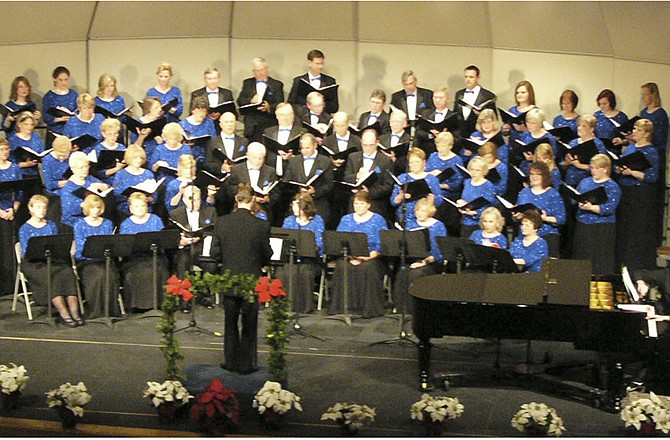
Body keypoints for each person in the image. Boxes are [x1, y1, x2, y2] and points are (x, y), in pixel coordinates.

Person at [214, 183, 271, 374]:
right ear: (253, 199)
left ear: (236, 199)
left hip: (229, 278)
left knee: (230, 323)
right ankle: (247, 364)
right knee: (249, 323)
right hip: (251, 281)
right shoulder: (261, 225)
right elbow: (267, 254)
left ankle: (231, 362)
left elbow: (215, 253)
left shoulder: (222, 222)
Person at [18, 195, 82, 326]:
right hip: (34, 263)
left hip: (52, 259)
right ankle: (64, 313)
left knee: (66, 272)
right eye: (38, 207)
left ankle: (75, 312)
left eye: (44, 207)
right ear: (31, 209)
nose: (42, 210)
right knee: (51, 275)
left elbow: (57, 245)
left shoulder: (52, 225)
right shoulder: (24, 228)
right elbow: (26, 252)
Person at [329, 190, 388, 318]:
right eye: (356, 204)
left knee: (368, 268)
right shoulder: (346, 219)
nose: (358, 207)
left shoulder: (378, 220)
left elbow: (382, 244)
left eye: (361, 204)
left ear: (368, 205)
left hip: (371, 257)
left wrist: (367, 257)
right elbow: (339, 240)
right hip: (350, 256)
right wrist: (351, 257)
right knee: (342, 267)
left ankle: (368, 309)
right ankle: (343, 307)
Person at [615, 119, 660, 271]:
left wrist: (632, 172)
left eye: (638, 130)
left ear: (647, 134)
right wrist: (621, 169)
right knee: (625, 228)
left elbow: (652, 176)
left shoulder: (651, 151)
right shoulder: (630, 148)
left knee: (637, 229)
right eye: (634, 129)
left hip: (640, 193)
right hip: (625, 190)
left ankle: (637, 265)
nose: (634, 132)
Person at [391, 198, 447, 311]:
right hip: (412, 259)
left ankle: (415, 308)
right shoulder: (410, 224)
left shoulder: (438, 226)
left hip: (431, 261)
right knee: (402, 272)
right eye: (418, 210)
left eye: (423, 211)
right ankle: (401, 308)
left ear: (430, 212)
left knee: (416, 274)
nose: (419, 214)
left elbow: (440, 251)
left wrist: (424, 262)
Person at [274, 193, 325, 314]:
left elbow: (319, 243)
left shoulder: (317, 221)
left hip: (309, 259)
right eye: (293, 205)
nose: (293, 208)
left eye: (297, 205)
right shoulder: (289, 220)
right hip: (290, 257)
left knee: (305, 272)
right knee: (283, 272)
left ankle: (304, 306)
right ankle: (285, 305)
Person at [119, 192, 169, 311]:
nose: (140, 209)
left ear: (147, 207)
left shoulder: (155, 220)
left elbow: (163, 241)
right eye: (136, 206)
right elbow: (124, 246)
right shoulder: (125, 224)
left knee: (158, 269)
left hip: (155, 255)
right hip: (135, 258)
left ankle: (159, 303)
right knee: (134, 273)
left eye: (142, 206)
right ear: (131, 208)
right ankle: (138, 305)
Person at [73, 194, 120, 319]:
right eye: (92, 208)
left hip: (104, 260)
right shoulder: (79, 225)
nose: (95, 211)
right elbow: (80, 249)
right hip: (87, 262)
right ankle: (97, 312)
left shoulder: (107, 223)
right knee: (98, 276)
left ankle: (111, 311)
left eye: (98, 208)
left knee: (110, 274)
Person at [573, 154, 621, 275]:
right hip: (583, 224)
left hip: (602, 228)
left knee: (600, 259)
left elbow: (610, 208)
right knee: (582, 256)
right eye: (591, 167)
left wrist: (591, 207)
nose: (592, 170)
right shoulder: (585, 182)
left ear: (604, 168)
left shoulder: (612, 186)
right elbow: (577, 196)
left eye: (595, 168)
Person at [514, 162, 565, 258]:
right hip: (525, 236)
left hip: (546, 236)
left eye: (538, 174)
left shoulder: (553, 194)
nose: (534, 177)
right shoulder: (524, 192)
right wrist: (517, 216)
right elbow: (519, 212)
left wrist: (544, 218)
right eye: (532, 174)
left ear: (544, 176)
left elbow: (561, 219)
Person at [168, 185, 218, 282]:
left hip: (204, 249)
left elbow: (215, 232)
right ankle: (184, 293)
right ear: (184, 199)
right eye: (190, 199)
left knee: (212, 266)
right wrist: (181, 242)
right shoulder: (175, 214)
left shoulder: (210, 211)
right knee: (182, 262)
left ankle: (210, 295)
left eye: (196, 199)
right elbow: (171, 236)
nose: (193, 203)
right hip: (185, 249)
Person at [343, 128, 394, 222]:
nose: (368, 148)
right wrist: (356, 176)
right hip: (355, 204)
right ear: (361, 142)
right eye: (365, 145)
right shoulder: (353, 157)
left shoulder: (385, 160)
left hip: (375, 204)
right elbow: (346, 178)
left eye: (371, 145)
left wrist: (369, 192)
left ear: (377, 143)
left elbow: (388, 185)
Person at [283, 133, 334, 226]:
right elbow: (287, 182)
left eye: (307, 148)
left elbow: (329, 185)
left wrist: (314, 191)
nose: (304, 151)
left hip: (318, 204)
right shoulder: (294, 161)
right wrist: (299, 190)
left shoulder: (325, 161)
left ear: (315, 145)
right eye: (302, 148)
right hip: (297, 205)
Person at [321, 111, 361, 228]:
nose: (339, 128)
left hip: (349, 182)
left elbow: (359, 159)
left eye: (342, 125)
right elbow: (323, 160)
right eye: (337, 125)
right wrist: (332, 162)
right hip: (332, 182)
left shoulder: (356, 141)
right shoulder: (328, 141)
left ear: (348, 124)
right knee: (333, 214)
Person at [222, 142, 278, 222]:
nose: (257, 161)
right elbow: (230, 189)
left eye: (260, 158)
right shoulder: (236, 169)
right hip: (240, 209)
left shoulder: (270, 171)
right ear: (247, 156)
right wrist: (245, 195)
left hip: (262, 211)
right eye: (254, 158)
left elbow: (276, 193)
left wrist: (268, 199)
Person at [390, 147, 443, 225]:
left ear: (424, 162)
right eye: (411, 162)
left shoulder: (431, 179)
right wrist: (400, 197)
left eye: (417, 162)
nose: (414, 165)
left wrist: (432, 200)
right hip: (404, 218)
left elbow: (439, 201)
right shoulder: (402, 178)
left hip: (425, 219)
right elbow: (393, 202)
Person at [237, 58, 285, 143]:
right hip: (252, 127)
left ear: (267, 69)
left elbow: (280, 103)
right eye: (257, 71)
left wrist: (269, 107)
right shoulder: (247, 83)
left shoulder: (277, 84)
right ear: (253, 71)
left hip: (269, 124)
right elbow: (240, 100)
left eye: (262, 70)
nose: (260, 73)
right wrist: (251, 100)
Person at [60, 151, 111, 232]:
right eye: (81, 167)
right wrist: (85, 204)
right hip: (76, 221)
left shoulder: (90, 179)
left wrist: (101, 186)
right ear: (73, 169)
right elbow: (69, 212)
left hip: (95, 216)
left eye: (86, 166)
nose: (85, 170)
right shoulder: (68, 188)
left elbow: (107, 187)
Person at [425, 132, 464, 236]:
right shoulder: (433, 156)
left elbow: (458, 182)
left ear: (450, 146)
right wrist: (431, 175)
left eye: (442, 146)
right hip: (432, 196)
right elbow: (426, 172)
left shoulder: (457, 160)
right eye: (438, 145)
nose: (439, 148)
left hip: (448, 198)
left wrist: (440, 185)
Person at [560, 114, 607, 188]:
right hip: (569, 180)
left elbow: (602, 166)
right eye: (579, 125)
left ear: (592, 129)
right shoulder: (573, 142)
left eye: (584, 126)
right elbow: (563, 163)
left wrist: (579, 165)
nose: (580, 128)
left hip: (587, 182)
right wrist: (566, 162)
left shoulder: (597, 144)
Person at [112, 144, 158, 219]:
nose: (139, 160)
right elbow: (116, 194)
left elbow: (154, 195)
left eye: (141, 158)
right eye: (135, 158)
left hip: (145, 210)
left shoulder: (148, 174)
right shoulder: (121, 174)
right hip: (125, 211)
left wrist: (150, 199)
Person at [0, 138, 21, 295]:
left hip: (12, 212)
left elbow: (19, 192)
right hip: (0, 212)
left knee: (12, 246)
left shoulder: (14, 168)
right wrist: (1, 212)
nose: (5, 152)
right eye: (1, 149)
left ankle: (15, 284)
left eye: (6, 149)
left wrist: (14, 208)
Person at [288, 49, 339, 114]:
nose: (321, 66)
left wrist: (320, 106)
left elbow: (335, 107)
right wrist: (308, 107)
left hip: (324, 118)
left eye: (322, 63)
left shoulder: (330, 81)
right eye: (317, 63)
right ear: (309, 63)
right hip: (304, 118)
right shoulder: (298, 81)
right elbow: (292, 103)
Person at [453, 65, 497, 139]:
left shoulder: (488, 95)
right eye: (466, 77)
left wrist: (481, 115)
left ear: (478, 78)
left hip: (479, 133)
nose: (468, 80)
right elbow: (456, 113)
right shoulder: (459, 94)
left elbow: (493, 117)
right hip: (459, 134)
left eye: (471, 77)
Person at [457, 156, 496, 239]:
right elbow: (464, 198)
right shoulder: (467, 182)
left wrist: (475, 213)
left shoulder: (487, 185)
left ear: (483, 171)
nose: (474, 173)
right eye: (472, 169)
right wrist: (460, 203)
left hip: (479, 224)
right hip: (465, 221)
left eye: (477, 170)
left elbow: (490, 206)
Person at [415, 87, 461, 157]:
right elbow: (418, 132)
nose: (437, 100)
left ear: (447, 99)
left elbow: (458, 137)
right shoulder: (425, 114)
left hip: (446, 153)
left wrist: (444, 136)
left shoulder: (454, 116)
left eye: (441, 98)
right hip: (427, 151)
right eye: (435, 97)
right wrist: (430, 135)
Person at [262, 102, 304, 177]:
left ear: (293, 115)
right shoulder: (268, 132)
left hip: (294, 175)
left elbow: (306, 154)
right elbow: (265, 153)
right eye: (282, 115)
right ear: (276, 116)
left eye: (288, 114)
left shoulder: (302, 132)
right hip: (272, 174)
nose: (285, 118)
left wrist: (292, 157)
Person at [204, 111, 248, 178]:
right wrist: (221, 168)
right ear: (220, 124)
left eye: (231, 122)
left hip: (238, 179)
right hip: (220, 179)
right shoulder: (212, 142)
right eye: (226, 122)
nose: (229, 124)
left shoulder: (244, 141)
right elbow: (207, 164)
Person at [41, 136, 72, 227]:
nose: (62, 157)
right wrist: (68, 182)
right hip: (53, 196)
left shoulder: (72, 156)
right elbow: (49, 184)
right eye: (60, 154)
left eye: (65, 154)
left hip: (68, 193)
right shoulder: (47, 160)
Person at [179, 96, 217, 168]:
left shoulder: (209, 122)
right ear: (193, 110)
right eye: (199, 110)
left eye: (204, 111)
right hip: (189, 160)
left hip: (206, 158)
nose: (202, 114)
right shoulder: (182, 124)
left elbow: (214, 140)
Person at [150, 122, 192, 187]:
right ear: (165, 138)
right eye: (170, 139)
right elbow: (151, 170)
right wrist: (157, 165)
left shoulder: (185, 149)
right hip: (163, 183)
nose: (172, 142)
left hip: (181, 182)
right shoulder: (159, 149)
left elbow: (192, 167)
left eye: (175, 139)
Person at [42, 66, 79, 136]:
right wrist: (59, 119)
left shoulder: (73, 94)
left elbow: (78, 111)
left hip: (71, 132)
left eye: (66, 79)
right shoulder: (49, 96)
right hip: (54, 132)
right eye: (60, 80)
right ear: (54, 79)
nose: (63, 83)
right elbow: (45, 117)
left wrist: (73, 116)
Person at [89, 118, 126, 186]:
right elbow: (96, 173)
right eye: (110, 134)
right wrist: (116, 169)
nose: (113, 137)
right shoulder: (97, 149)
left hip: (121, 181)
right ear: (103, 134)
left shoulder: (122, 148)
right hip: (103, 183)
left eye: (115, 133)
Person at [8, 112, 44, 178]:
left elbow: (41, 153)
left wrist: (38, 159)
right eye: (26, 124)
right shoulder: (13, 139)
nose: (29, 127)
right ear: (19, 124)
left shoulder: (36, 137)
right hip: (19, 174)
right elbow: (9, 161)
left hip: (35, 173)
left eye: (31, 124)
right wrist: (24, 164)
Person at [379, 110, 411, 176]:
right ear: (390, 123)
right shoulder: (381, 139)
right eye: (393, 121)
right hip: (383, 174)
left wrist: (394, 159)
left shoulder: (409, 140)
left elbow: (409, 163)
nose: (395, 124)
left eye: (398, 122)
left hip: (400, 174)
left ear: (404, 124)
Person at [640, 82, 669, 153]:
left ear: (653, 95)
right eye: (642, 95)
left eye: (646, 94)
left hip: (656, 151)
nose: (642, 97)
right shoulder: (643, 112)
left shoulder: (660, 113)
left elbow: (661, 136)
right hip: (643, 150)